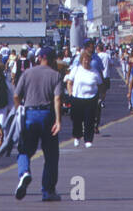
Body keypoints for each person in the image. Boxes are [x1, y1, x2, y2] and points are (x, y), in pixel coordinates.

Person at [13, 45, 63, 201]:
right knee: (51, 155)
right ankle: (48, 191)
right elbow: (57, 98)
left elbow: (16, 96)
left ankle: (24, 172)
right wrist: (58, 120)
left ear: (40, 58)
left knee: (24, 149)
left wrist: (19, 109)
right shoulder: (56, 75)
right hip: (47, 115)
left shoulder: (27, 73)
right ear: (52, 59)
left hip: (29, 114)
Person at [67, 42, 104, 147]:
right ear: (81, 60)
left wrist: (101, 96)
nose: (86, 61)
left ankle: (88, 139)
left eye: (88, 59)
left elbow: (100, 84)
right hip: (77, 98)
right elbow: (69, 82)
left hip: (90, 98)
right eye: (84, 59)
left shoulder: (94, 72)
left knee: (89, 120)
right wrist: (70, 93)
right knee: (77, 119)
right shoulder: (76, 69)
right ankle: (77, 136)